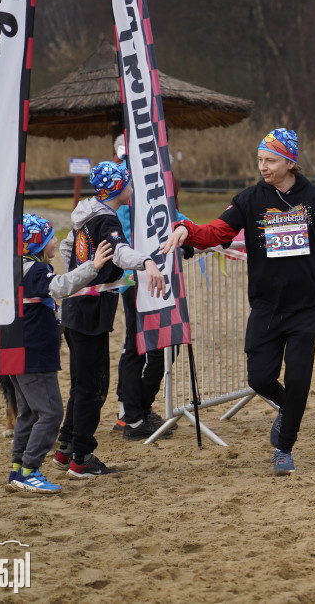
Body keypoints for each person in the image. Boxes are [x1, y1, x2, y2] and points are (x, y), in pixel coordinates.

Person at [160, 129, 315, 475]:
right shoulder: (249, 199)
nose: (263, 166)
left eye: (271, 160)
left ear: (290, 162)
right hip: (265, 305)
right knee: (259, 377)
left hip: (306, 305)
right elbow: (218, 232)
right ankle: (289, 408)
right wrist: (187, 229)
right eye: (260, 159)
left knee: (298, 378)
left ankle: (284, 447)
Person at [53, 161, 167, 479]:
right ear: (118, 187)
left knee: (81, 386)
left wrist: (80, 269)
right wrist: (145, 261)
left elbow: (66, 246)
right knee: (94, 388)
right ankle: (81, 457)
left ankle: (65, 450)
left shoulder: (85, 214)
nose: (132, 187)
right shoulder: (105, 218)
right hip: (90, 315)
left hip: (76, 311)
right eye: (128, 182)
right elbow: (119, 252)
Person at [5, 216, 113, 493]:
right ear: (38, 242)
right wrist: (94, 266)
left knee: (28, 413)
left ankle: (17, 470)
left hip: (14, 353)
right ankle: (30, 470)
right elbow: (62, 286)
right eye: (51, 237)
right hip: (34, 356)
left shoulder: (13, 269)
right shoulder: (36, 271)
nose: (55, 241)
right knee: (52, 413)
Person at [107, 134, 191, 441]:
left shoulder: (149, 180)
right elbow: (130, 229)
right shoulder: (126, 184)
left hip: (156, 274)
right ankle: (132, 416)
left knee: (165, 345)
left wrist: (185, 227)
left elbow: (166, 213)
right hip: (135, 277)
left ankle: (136, 409)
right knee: (140, 346)